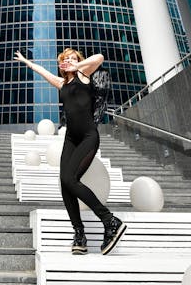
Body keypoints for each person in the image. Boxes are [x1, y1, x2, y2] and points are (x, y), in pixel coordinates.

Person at [14, 48, 126, 255]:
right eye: (66, 59)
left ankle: (110, 220)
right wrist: (26, 62)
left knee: (70, 179)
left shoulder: (84, 75)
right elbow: (42, 72)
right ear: (61, 64)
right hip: (70, 139)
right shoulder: (61, 83)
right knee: (65, 183)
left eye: (73, 58)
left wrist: (78, 66)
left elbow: (99, 58)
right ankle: (80, 234)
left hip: (88, 137)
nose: (70, 61)